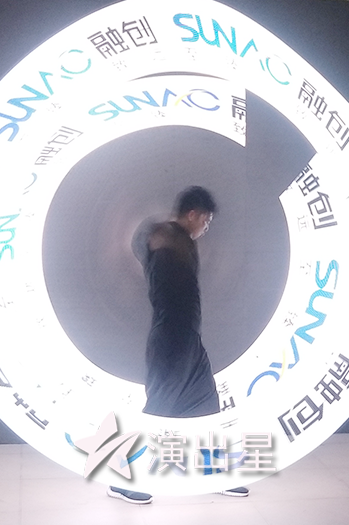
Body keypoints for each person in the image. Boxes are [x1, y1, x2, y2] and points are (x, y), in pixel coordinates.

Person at [108, 186, 248, 504]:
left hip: (188, 339)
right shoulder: (164, 237)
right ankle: (120, 478)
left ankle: (215, 472)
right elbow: (145, 242)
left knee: (207, 404)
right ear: (192, 214)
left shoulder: (180, 240)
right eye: (206, 220)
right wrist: (159, 234)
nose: (206, 227)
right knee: (159, 408)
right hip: (171, 340)